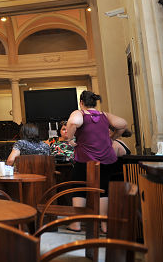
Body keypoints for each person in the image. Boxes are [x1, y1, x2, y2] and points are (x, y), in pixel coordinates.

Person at [65, 90, 127, 233]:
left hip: (85, 158)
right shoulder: (104, 115)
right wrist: (113, 137)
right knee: (103, 190)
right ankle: (104, 225)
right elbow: (123, 124)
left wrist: (70, 138)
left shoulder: (80, 113)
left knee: (79, 187)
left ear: (81, 102)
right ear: (95, 103)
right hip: (105, 159)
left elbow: (73, 122)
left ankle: (76, 223)